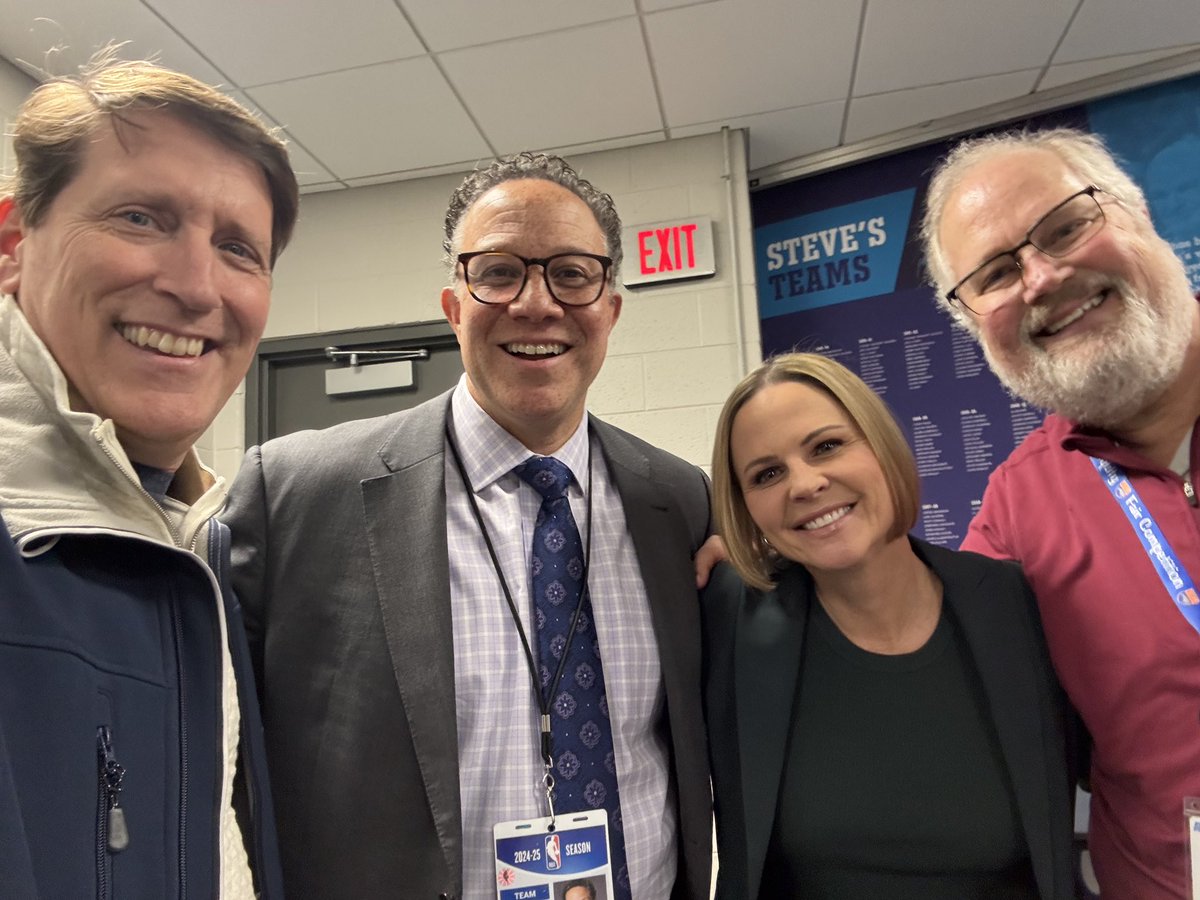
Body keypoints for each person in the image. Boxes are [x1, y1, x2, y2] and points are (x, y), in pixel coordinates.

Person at [224, 152, 715, 899]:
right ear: (455, 307)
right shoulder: (297, 493)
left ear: (610, 309)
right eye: (498, 272)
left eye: (573, 274)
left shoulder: (678, 500)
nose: (536, 303)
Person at [0, 54, 299, 899]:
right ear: (13, 246)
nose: (196, 285)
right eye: (140, 218)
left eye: (238, 248)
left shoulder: (194, 543)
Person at [920, 127, 1200, 900]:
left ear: (1137, 213)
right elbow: (915, 667)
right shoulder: (1016, 511)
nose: (1041, 277)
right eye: (997, 273)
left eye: (1066, 227)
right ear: (975, 323)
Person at [702, 352, 1075, 899]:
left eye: (826, 446)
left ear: (881, 446)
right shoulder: (729, 616)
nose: (804, 485)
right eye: (767, 474)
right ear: (746, 508)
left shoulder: (1018, 607)